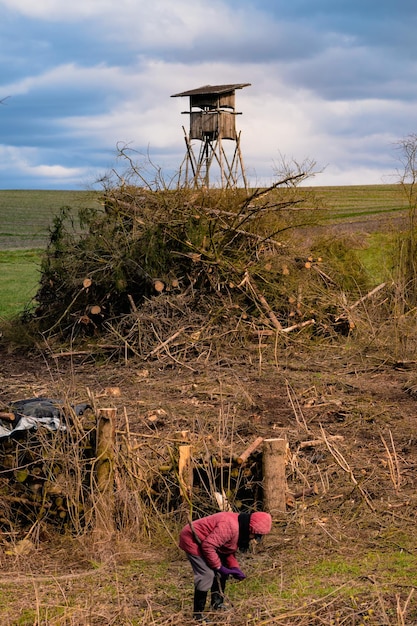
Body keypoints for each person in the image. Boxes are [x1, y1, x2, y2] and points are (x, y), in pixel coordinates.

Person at [179, 510, 272, 623]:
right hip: (192, 538)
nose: (253, 538)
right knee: (207, 574)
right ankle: (198, 614)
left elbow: (227, 550)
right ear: (250, 528)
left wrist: (234, 568)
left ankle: (217, 604)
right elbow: (208, 546)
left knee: (221, 573)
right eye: (255, 535)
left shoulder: (240, 526)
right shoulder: (231, 526)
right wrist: (219, 567)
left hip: (208, 543)